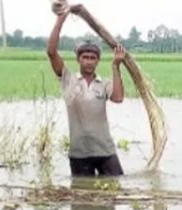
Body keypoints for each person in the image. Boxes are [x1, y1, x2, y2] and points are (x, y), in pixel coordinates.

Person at [47, 3, 127, 178]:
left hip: (105, 151)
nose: (89, 61)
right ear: (78, 59)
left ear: (98, 61)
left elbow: (119, 98)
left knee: (115, 192)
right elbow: (52, 52)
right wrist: (61, 18)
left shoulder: (103, 84)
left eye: (93, 58)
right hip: (79, 153)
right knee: (82, 199)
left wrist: (116, 66)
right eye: (85, 57)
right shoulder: (69, 80)